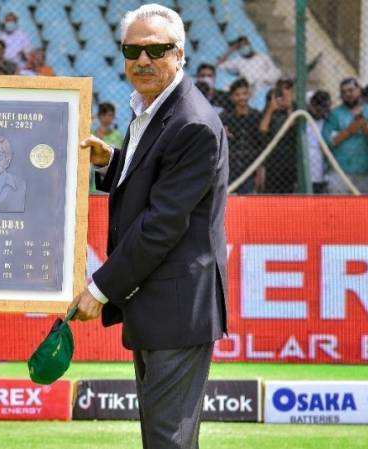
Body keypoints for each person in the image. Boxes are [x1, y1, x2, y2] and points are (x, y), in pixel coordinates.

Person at [69, 5, 228, 448]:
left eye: (156, 50)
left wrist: (99, 289)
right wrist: (113, 163)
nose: (143, 60)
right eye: (133, 50)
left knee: (166, 441)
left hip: (176, 308)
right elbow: (156, 181)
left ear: (180, 55)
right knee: (168, 438)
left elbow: (161, 225)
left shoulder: (191, 122)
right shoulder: (155, 108)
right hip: (162, 304)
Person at [321, 77, 368, 194]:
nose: (347, 94)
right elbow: (329, 141)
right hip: (340, 171)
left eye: (351, 90)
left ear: (359, 90)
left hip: (365, 170)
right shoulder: (335, 114)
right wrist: (350, 130)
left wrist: (362, 125)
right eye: (344, 92)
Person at [220, 77, 262, 194]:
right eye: (237, 94)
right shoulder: (225, 118)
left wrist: (259, 171)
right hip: (230, 168)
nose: (242, 97)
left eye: (244, 93)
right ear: (232, 97)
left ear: (249, 95)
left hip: (250, 168)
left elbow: (260, 146)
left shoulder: (256, 116)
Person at [258, 78, 297, 193]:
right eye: (283, 88)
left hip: (288, 158)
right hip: (272, 159)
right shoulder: (270, 103)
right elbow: (263, 129)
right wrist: (271, 109)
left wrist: (289, 107)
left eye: (288, 89)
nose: (285, 92)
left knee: (288, 193)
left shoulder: (295, 107)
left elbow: (292, 125)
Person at [216, 35, 280, 98]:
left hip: (266, 88)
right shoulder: (238, 61)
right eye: (240, 47)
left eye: (245, 45)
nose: (244, 47)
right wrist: (230, 50)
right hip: (250, 92)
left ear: (250, 44)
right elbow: (219, 65)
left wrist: (264, 79)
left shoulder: (264, 57)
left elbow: (275, 72)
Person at [305, 90, 331, 193]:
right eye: (318, 109)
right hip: (306, 172)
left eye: (324, 109)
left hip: (323, 173)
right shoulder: (304, 120)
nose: (321, 112)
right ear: (312, 105)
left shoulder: (328, 122)